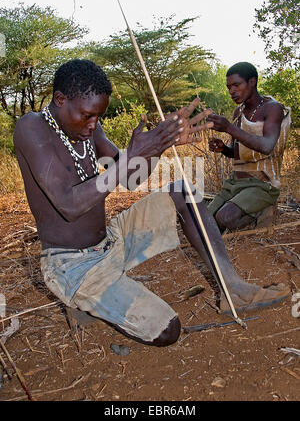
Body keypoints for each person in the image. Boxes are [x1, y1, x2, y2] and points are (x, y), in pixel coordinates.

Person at [14, 59, 289, 347]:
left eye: (98, 117)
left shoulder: (90, 129)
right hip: (73, 266)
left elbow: (132, 178)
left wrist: (160, 144)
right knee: (168, 330)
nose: (93, 124)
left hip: (112, 241)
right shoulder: (32, 128)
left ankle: (234, 289)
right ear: (60, 100)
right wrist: (133, 155)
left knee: (183, 191)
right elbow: (68, 204)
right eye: (87, 115)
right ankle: (86, 300)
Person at [207, 62, 290, 232]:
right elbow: (237, 152)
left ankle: (262, 216)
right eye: (229, 87)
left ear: (252, 81)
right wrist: (224, 149)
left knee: (224, 218)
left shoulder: (272, 109)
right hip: (235, 183)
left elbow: (267, 146)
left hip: (263, 184)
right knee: (206, 221)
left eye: (236, 85)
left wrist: (229, 127)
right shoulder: (239, 112)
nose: (232, 91)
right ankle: (244, 210)